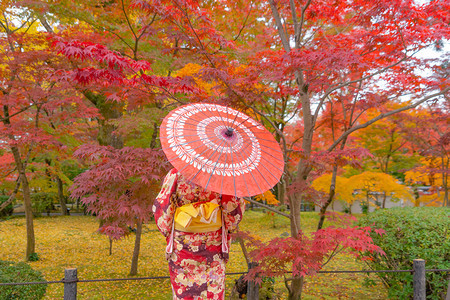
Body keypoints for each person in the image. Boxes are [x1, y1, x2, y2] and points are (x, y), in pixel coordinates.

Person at [152, 168, 245, 300]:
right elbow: (233, 212)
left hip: (183, 245)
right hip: (213, 245)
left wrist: (168, 232)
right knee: (212, 290)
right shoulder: (223, 175)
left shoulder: (176, 174)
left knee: (184, 291)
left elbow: (163, 207)